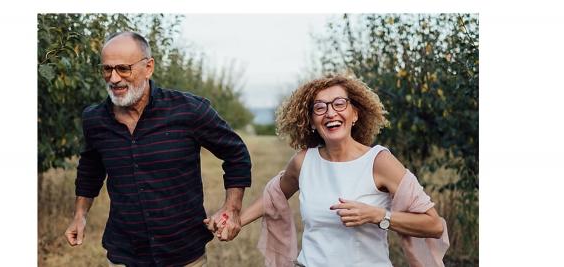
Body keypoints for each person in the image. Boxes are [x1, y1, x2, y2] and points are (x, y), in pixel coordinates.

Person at [63, 31, 251, 267]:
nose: (113, 78)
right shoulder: (95, 119)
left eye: (123, 68)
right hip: (125, 254)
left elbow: (236, 153)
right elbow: (90, 170)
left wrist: (231, 208)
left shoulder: (188, 110)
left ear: (148, 67)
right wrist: (80, 216)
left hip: (184, 254)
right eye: (106, 69)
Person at [227, 75, 448, 267]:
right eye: (320, 108)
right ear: (312, 121)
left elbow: (434, 225)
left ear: (355, 114)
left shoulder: (379, 161)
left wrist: (378, 215)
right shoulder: (304, 162)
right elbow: (273, 195)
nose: (330, 113)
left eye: (339, 104)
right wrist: (235, 221)